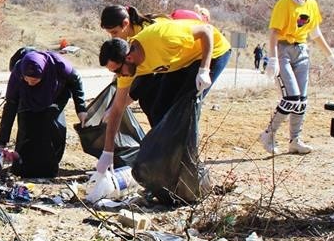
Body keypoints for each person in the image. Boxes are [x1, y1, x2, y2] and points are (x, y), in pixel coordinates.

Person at [96, 18, 232, 173]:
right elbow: (118, 108)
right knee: (158, 110)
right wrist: (108, 152)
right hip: (182, 61)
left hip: (212, 52)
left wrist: (204, 70)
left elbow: (206, 30)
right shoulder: (128, 67)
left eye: (117, 71)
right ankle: (168, 160)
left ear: (128, 58)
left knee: (185, 109)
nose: (118, 75)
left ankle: (189, 166)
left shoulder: (162, 38)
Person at [259, 0, 334, 155]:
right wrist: (273, 59)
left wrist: (331, 55)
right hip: (284, 49)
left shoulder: (311, 4)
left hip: (302, 50)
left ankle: (295, 139)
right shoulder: (285, 3)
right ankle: (268, 134)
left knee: (302, 100)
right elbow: (274, 32)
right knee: (291, 97)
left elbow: (315, 32)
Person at [0, 50, 88, 178]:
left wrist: (81, 109)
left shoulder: (59, 65)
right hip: (27, 100)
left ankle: (49, 169)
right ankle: (22, 169)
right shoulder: (18, 72)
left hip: (54, 96)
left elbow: (76, 81)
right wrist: (1, 142)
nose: (30, 83)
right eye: (27, 79)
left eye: (35, 80)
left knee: (51, 132)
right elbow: (11, 105)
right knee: (27, 131)